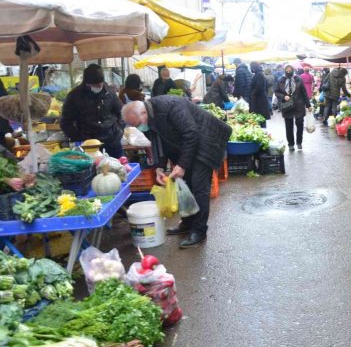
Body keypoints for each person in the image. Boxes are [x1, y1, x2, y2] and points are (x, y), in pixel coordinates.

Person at [121, 97, 232, 248]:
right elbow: (159, 142)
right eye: (136, 127)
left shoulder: (171, 107)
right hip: (187, 145)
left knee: (199, 188)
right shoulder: (149, 118)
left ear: (143, 112)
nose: (140, 128)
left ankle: (199, 231)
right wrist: (160, 167)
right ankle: (187, 223)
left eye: (139, 125)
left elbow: (191, 134)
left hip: (207, 141)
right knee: (184, 185)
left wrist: (181, 165)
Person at [60, 63, 124, 158]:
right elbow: (65, 122)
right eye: (95, 85)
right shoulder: (74, 96)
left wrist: (118, 132)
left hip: (112, 142)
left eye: (100, 84)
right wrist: (79, 138)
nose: (99, 87)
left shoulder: (110, 92)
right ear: (87, 83)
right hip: (88, 146)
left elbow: (122, 113)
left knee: (118, 169)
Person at [275, 65, 311, 151]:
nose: (288, 72)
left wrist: (308, 105)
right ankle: (291, 144)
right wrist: (283, 97)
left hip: (299, 104)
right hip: (287, 105)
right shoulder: (281, 80)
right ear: (284, 71)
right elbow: (276, 92)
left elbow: (304, 92)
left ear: (293, 70)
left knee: (299, 124)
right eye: (287, 70)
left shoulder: (298, 79)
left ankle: (299, 142)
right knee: (289, 126)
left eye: (290, 70)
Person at [249, 61, 271, 126]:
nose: (251, 69)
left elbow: (259, 87)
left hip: (259, 99)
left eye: (251, 67)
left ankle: (263, 131)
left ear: (254, 67)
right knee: (261, 117)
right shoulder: (259, 74)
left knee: (261, 117)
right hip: (261, 98)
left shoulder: (258, 75)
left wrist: (253, 94)